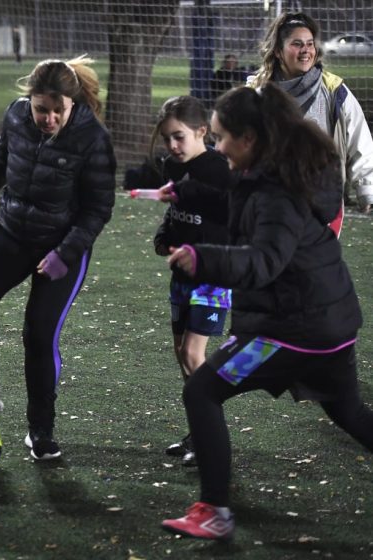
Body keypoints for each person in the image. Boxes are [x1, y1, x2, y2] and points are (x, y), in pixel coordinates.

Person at [161, 83, 372, 541]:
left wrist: (205, 259)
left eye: (220, 137)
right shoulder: (274, 174)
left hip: (293, 330)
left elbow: (263, 262)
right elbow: (231, 199)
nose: (216, 147)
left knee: (201, 391)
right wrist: (183, 193)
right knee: (349, 412)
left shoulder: (277, 193)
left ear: (249, 139)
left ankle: (214, 510)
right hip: (328, 324)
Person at [0, 56, 117, 461]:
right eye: (41, 108)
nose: (49, 118)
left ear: (73, 104)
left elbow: (97, 210)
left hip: (62, 244)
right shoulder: (17, 115)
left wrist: (65, 253)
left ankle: (41, 430)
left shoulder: (92, 138)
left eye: (58, 110)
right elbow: (0, 160)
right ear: (29, 100)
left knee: (38, 334)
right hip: (12, 229)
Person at [149, 96, 233, 467]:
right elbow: (176, 212)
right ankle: (199, 429)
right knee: (180, 353)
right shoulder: (172, 165)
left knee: (192, 354)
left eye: (179, 137)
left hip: (212, 276)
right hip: (181, 276)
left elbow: (226, 211)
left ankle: (211, 436)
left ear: (202, 131)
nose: (172, 146)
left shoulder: (218, 168)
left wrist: (188, 192)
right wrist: (164, 235)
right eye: (168, 138)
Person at [248, 12, 373, 227]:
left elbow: (359, 139)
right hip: (271, 198)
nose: (306, 50)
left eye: (309, 44)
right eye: (297, 44)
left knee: (315, 260)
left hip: (322, 200)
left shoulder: (334, 90)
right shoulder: (255, 92)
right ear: (278, 51)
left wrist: (367, 188)